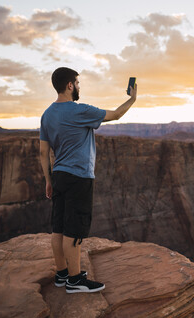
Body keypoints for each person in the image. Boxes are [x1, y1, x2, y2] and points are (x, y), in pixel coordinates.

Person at [39, 67, 137, 293]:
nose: (79, 87)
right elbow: (116, 115)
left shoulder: (47, 114)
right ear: (70, 85)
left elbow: (44, 153)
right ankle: (74, 280)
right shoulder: (79, 110)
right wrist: (132, 99)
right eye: (78, 83)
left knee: (59, 228)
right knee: (74, 230)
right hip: (79, 176)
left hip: (59, 175)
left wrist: (48, 180)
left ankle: (62, 273)